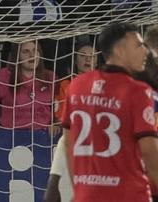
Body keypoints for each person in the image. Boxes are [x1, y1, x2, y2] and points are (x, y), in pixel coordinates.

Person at [59, 20, 158, 202]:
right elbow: (149, 151)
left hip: (87, 195)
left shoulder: (77, 85)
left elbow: (67, 143)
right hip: (129, 195)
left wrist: (80, 189)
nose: (145, 51)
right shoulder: (138, 91)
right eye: (138, 46)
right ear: (120, 50)